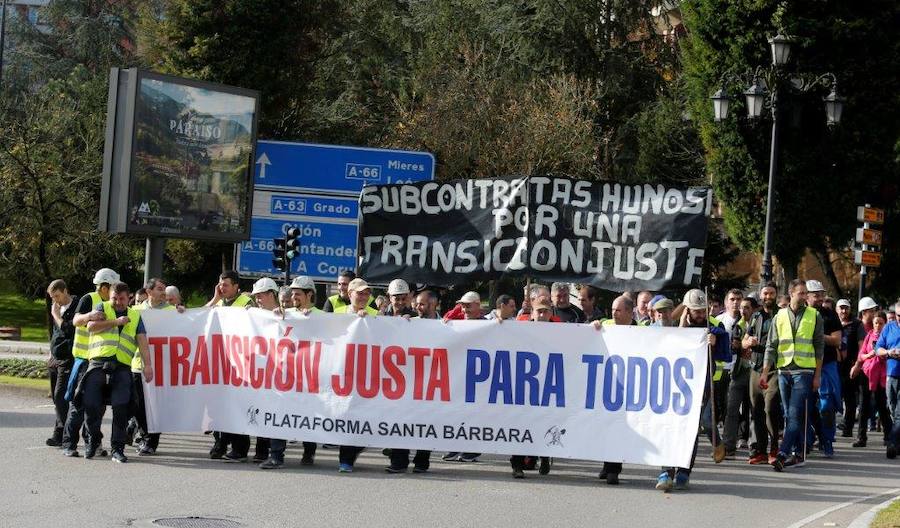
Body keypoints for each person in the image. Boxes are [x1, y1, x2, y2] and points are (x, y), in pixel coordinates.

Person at [654, 289, 729, 491]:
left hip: (703, 384)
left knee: (695, 427)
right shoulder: (674, 326)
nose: (700, 315)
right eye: (696, 311)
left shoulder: (715, 327)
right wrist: (681, 329)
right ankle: (666, 472)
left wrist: (714, 344)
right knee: (671, 426)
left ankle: (685, 471)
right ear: (687, 310)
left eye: (703, 311)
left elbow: (726, 355)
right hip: (675, 385)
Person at [83, 282, 152, 463]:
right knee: (91, 405)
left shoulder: (136, 316)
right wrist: (115, 322)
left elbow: (143, 343)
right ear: (110, 296)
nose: (118, 302)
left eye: (121, 299)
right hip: (98, 363)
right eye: (114, 298)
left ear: (128, 298)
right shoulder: (102, 307)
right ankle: (93, 441)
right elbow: (91, 327)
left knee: (121, 407)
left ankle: (117, 448)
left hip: (121, 366)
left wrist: (148, 366)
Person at [762, 279, 824, 472]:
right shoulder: (779, 316)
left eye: (806, 293)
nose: (805, 296)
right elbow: (771, 346)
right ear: (791, 293)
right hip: (784, 371)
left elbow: (819, 347)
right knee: (789, 414)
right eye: (801, 293)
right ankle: (800, 453)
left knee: (795, 414)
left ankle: (782, 453)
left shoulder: (815, 315)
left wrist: (817, 375)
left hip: (804, 372)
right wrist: (765, 372)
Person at [62, 267, 120, 458]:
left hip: (101, 362)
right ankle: (69, 444)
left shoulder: (112, 304)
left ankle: (92, 443)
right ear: (104, 286)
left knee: (97, 406)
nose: (114, 290)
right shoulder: (89, 299)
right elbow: (76, 320)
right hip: (84, 360)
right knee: (78, 405)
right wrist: (89, 316)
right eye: (112, 286)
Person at [590, 294, 640, 485]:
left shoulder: (642, 330)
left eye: (618, 310)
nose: (614, 314)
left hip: (629, 387)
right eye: (612, 310)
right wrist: (593, 326)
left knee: (619, 427)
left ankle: (614, 469)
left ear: (629, 312)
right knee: (606, 425)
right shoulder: (606, 325)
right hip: (606, 384)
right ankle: (607, 464)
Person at [206, 271, 255, 460]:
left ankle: (240, 448)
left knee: (237, 406)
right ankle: (220, 443)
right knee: (218, 406)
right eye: (220, 284)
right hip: (220, 361)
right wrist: (214, 298)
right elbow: (201, 317)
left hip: (240, 363)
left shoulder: (246, 303)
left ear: (236, 286)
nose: (222, 288)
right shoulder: (218, 302)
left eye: (226, 285)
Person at [333, 278, 378, 472]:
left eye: (367, 293)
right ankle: (346, 459)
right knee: (347, 416)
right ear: (349, 294)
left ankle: (354, 449)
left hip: (367, 374)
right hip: (343, 373)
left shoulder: (376, 314)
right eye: (359, 293)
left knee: (366, 417)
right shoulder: (336, 314)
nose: (363, 297)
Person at [129, 278, 177, 456]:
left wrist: (183, 313)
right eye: (159, 289)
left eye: (164, 289)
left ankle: (151, 441)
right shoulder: (136, 311)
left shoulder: (172, 311)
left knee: (156, 406)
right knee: (138, 405)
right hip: (138, 365)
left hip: (162, 367)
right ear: (148, 292)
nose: (163, 292)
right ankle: (143, 434)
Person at [509, 296, 555, 479]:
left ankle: (544, 457)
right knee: (522, 425)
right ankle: (517, 464)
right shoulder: (521, 327)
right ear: (533, 313)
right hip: (524, 386)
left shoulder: (563, 330)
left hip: (547, 386)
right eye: (539, 311)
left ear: (551, 313)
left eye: (546, 311)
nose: (542, 314)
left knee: (545, 423)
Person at [442, 290, 484, 463]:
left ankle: (472, 450)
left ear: (477, 305)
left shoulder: (487, 323)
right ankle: (455, 445)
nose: (464, 309)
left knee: (474, 414)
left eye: (468, 305)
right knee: (457, 411)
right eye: (463, 305)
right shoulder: (457, 322)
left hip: (479, 375)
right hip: (459, 373)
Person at [743, 282, 782, 465]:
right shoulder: (755, 316)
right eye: (765, 293)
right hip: (755, 367)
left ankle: (774, 448)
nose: (768, 297)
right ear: (761, 295)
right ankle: (759, 450)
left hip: (774, 368)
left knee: (770, 408)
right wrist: (747, 341)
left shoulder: (781, 315)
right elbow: (744, 340)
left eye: (771, 293)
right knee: (756, 409)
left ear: (776, 295)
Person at [805, 280, 843, 457]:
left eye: (821, 294)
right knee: (806, 405)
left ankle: (827, 440)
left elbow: (836, 340)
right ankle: (810, 438)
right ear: (806, 296)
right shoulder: (800, 314)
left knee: (827, 405)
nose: (820, 298)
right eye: (816, 295)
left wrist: (818, 336)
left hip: (827, 364)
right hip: (804, 365)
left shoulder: (830, 315)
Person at [853, 311, 894, 452]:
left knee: (882, 407)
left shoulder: (888, 336)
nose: (877, 326)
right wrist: (868, 355)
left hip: (881, 375)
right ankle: (861, 437)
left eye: (880, 323)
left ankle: (889, 437)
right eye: (875, 322)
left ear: (885, 324)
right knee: (864, 406)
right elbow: (861, 355)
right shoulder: (869, 335)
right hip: (867, 373)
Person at [46, 279, 77, 448]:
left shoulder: (77, 306)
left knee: (60, 395)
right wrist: (50, 354)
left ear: (65, 290)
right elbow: (56, 333)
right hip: (55, 358)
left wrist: (56, 316)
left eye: (57, 295)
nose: (55, 300)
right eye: (52, 297)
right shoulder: (56, 308)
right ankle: (60, 432)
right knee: (56, 399)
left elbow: (68, 330)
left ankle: (64, 434)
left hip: (68, 358)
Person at [720, 289, 750, 458]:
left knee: (749, 407)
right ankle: (729, 444)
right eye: (732, 299)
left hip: (744, 368)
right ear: (726, 303)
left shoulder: (749, 321)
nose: (735, 302)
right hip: (724, 369)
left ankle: (746, 439)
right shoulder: (719, 321)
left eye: (739, 299)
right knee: (729, 408)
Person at [852, 297, 879, 447]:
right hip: (861, 369)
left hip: (874, 369)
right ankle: (861, 436)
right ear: (864, 312)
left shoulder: (877, 326)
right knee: (863, 403)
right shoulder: (859, 327)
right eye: (872, 311)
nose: (874, 313)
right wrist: (857, 365)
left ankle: (889, 437)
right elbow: (861, 350)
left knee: (878, 403)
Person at [838, 298, 866, 438]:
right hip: (834, 365)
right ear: (837, 309)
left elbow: (862, 347)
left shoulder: (857, 324)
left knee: (849, 399)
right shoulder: (832, 323)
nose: (844, 311)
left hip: (850, 365)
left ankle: (847, 428)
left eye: (846, 308)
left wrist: (857, 364)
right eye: (841, 308)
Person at [875, 301, 900, 459]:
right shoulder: (889, 328)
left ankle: (892, 442)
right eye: (899, 316)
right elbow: (878, 349)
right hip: (891, 374)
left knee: (899, 413)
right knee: (891, 409)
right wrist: (889, 352)